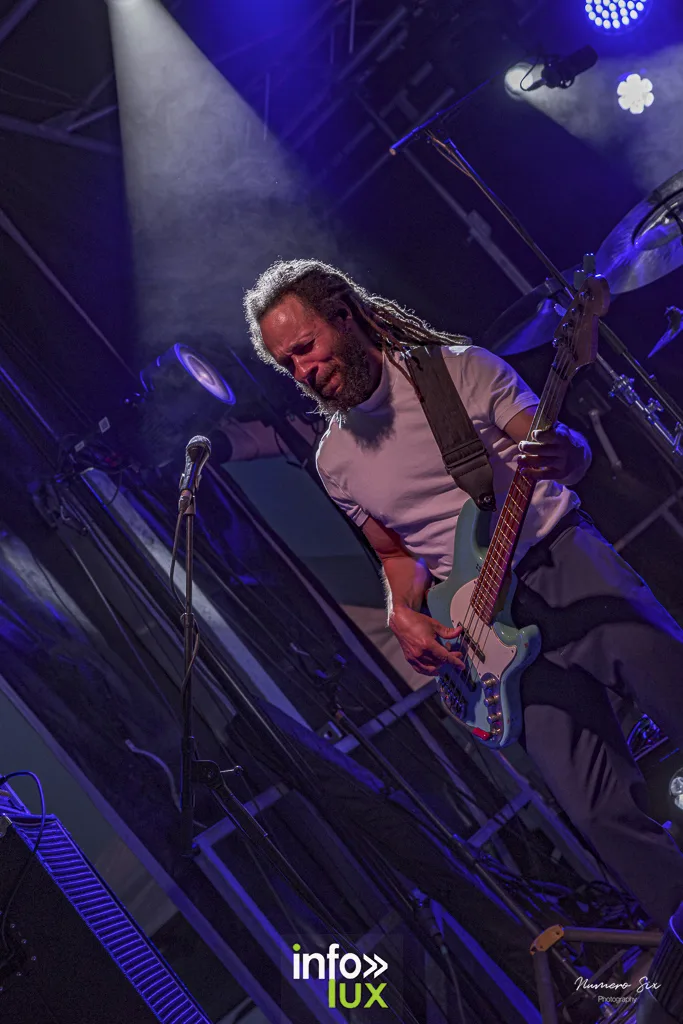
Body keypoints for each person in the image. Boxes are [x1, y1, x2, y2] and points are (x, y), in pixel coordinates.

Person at [244, 258, 683, 930]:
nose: (303, 370)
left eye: (306, 347)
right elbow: (397, 554)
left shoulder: (457, 370)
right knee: (596, 807)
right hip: (489, 639)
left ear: (344, 316)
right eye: (288, 364)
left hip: (562, 562)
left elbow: (559, 450)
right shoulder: (333, 462)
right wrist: (402, 613)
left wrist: (564, 451)